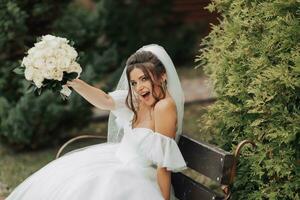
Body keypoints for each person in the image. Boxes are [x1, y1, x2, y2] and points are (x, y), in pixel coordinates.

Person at [6, 44, 186, 200]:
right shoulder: (138, 100)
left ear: (162, 76)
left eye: (144, 79)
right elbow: (106, 101)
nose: (138, 88)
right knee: (68, 178)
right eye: (133, 82)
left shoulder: (164, 107)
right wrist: (74, 82)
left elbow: (164, 166)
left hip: (136, 176)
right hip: (117, 161)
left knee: (92, 184)